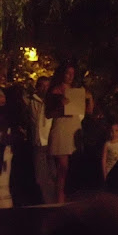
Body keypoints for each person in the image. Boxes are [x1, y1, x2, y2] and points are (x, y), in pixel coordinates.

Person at [46, 63, 85, 203]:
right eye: (68, 73)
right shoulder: (55, 91)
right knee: (63, 169)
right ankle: (59, 201)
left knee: (73, 170)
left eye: (73, 74)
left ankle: (70, 201)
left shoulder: (76, 91)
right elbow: (48, 114)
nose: (70, 76)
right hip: (61, 130)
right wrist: (60, 106)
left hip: (74, 129)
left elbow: (85, 111)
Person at [26, 76, 56, 204]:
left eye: (47, 86)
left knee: (53, 173)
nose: (45, 89)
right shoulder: (31, 101)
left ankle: (55, 201)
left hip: (51, 141)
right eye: (42, 86)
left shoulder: (53, 102)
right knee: (41, 176)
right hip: (38, 143)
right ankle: (48, 202)